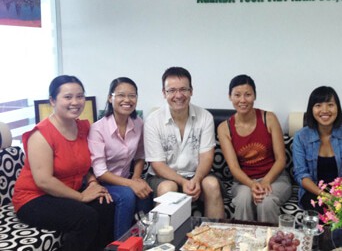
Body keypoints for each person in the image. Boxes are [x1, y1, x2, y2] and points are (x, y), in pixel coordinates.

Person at [13, 75, 115, 251]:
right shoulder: (41, 135)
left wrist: (91, 182)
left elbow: (83, 165)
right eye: (68, 97)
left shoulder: (83, 127)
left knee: (104, 204)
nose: (75, 102)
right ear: (52, 100)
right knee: (86, 217)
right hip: (34, 198)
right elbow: (43, 181)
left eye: (80, 96)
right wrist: (82, 197)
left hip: (66, 192)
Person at [144, 67, 224, 219]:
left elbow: (206, 157)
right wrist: (182, 181)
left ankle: (216, 238)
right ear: (164, 93)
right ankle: (165, 241)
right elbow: (158, 164)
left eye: (183, 89)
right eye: (172, 90)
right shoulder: (153, 121)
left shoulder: (205, 117)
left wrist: (197, 179)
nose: (178, 95)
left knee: (212, 185)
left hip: (197, 174)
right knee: (169, 188)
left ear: (191, 91)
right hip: (163, 177)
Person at [217, 74, 291, 224]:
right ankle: (243, 244)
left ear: (255, 96)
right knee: (244, 199)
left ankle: (271, 244)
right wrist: (252, 185)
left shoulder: (269, 118)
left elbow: (281, 159)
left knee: (266, 201)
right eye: (237, 95)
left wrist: (265, 182)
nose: (242, 100)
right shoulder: (224, 128)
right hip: (243, 181)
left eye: (248, 94)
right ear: (230, 97)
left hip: (275, 178)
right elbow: (234, 168)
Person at [88, 77, 153, 239]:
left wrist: (137, 178)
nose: (127, 100)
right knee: (127, 195)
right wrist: (131, 184)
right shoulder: (97, 129)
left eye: (132, 95)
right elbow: (100, 172)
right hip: (101, 182)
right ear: (111, 98)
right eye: (121, 95)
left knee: (146, 192)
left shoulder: (138, 123)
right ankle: (120, 245)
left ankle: (144, 242)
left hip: (125, 179)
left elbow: (140, 155)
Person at [292, 86, 342, 210]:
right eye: (318, 105)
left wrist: (339, 196)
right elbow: (301, 175)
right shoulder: (301, 137)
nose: (324, 110)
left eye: (330, 105)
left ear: (337, 108)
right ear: (311, 109)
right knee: (317, 209)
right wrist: (325, 196)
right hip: (315, 192)